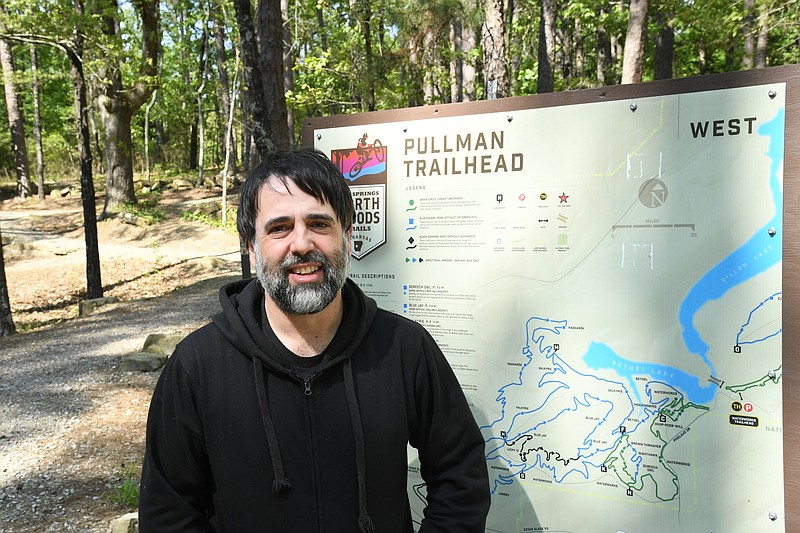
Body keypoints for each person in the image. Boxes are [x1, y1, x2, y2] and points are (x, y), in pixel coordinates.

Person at [139, 148, 491, 532]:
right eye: (279, 228)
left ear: (348, 235)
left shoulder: (404, 348)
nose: (301, 243)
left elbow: (461, 474)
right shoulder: (197, 366)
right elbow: (169, 512)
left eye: (319, 223)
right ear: (251, 247)